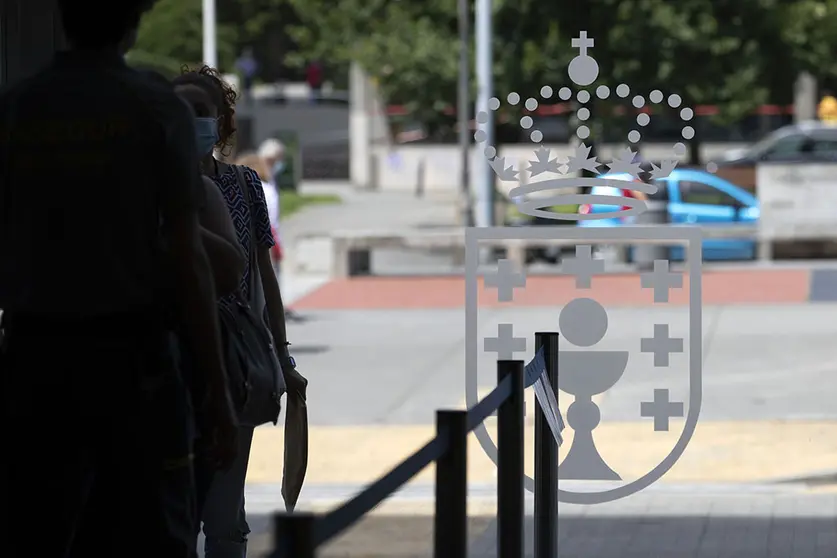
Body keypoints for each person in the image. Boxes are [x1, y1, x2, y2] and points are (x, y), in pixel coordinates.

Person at [0, 2, 238, 557]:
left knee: (38, 529)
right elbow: (190, 257)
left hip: (35, 356)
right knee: (153, 530)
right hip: (134, 365)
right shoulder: (154, 109)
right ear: (133, 20)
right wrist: (219, 395)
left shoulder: (20, 108)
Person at [172, 65, 308, 558]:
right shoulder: (145, 186)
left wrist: (281, 356)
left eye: (203, 113)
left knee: (226, 519)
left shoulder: (244, 185)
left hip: (233, 363)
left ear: (224, 123)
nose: (193, 123)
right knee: (173, 514)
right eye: (181, 111)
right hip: (168, 360)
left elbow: (261, 275)